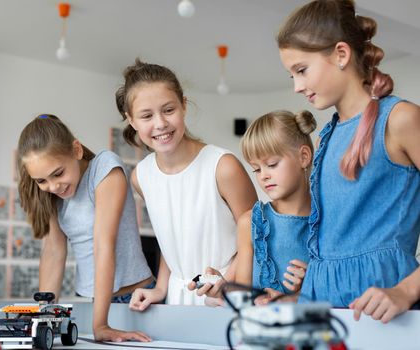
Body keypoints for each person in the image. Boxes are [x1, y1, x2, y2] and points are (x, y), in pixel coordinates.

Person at [277, 0, 420, 322]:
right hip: (321, 306)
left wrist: (407, 290)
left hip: (382, 306)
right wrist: (310, 278)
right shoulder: (325, 137)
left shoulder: (400, 119)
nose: (298, 86)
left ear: (341, 55)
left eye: (302, 70)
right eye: (291, 76)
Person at [115, 59, 258, 309]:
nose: (160, 123)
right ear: (131, 120)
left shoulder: (222, 166)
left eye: (168, 110)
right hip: (177, 299)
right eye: (146, 115)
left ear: (183, 105)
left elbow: (258, 236)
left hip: (227, 297)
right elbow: (171, 240)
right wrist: (160, 288)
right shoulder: (141, 176)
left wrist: (227, 282)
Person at [17, 114, 153, 342]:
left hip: (136, 299)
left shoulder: (105, 167)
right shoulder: (53, 195)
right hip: (99, 303)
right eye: (41, 181)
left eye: (58, 173)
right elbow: (53, 252)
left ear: (77, 150)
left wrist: (100, 325)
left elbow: (103, 244)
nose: (53, 186)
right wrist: (43, 318)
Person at [236, 110, 315, 305]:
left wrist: (312, 282)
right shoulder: (249, 223)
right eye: (256, 169)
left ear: (304, 157)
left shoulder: (329, 220)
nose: (263, 176)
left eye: (272, 164)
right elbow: (240, 298)